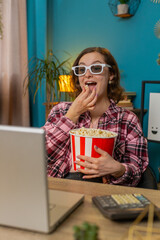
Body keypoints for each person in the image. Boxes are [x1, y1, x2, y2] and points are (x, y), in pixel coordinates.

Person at [42, 47, 149, 187]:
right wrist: (72, 114)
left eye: (96, 68)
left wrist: (119, 169)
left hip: (106, 189)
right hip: (60, 187)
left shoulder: (127, 119)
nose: (87, 74)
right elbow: (40, 154)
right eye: (81, 70)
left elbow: (137, 172)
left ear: (110, 75)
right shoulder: (60, 111)